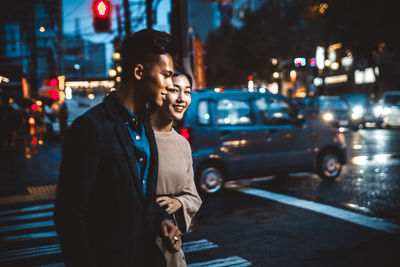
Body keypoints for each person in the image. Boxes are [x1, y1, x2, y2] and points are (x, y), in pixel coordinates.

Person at [54, 29, 181, 267]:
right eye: (166, 75)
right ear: (139, 72)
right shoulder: (90, 128)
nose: (170, 85)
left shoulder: (144, 125)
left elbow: (140, 196)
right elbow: (69, 217)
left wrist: (161, 219)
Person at [150, 66, 202, 266]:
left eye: (187, 91)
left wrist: (180, 203)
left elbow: (192, 195)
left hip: (171, 251)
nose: (182, 98)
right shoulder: (137, 137)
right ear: (160, 92)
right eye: (174, 90)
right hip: (139, 249)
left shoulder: (182, 143)